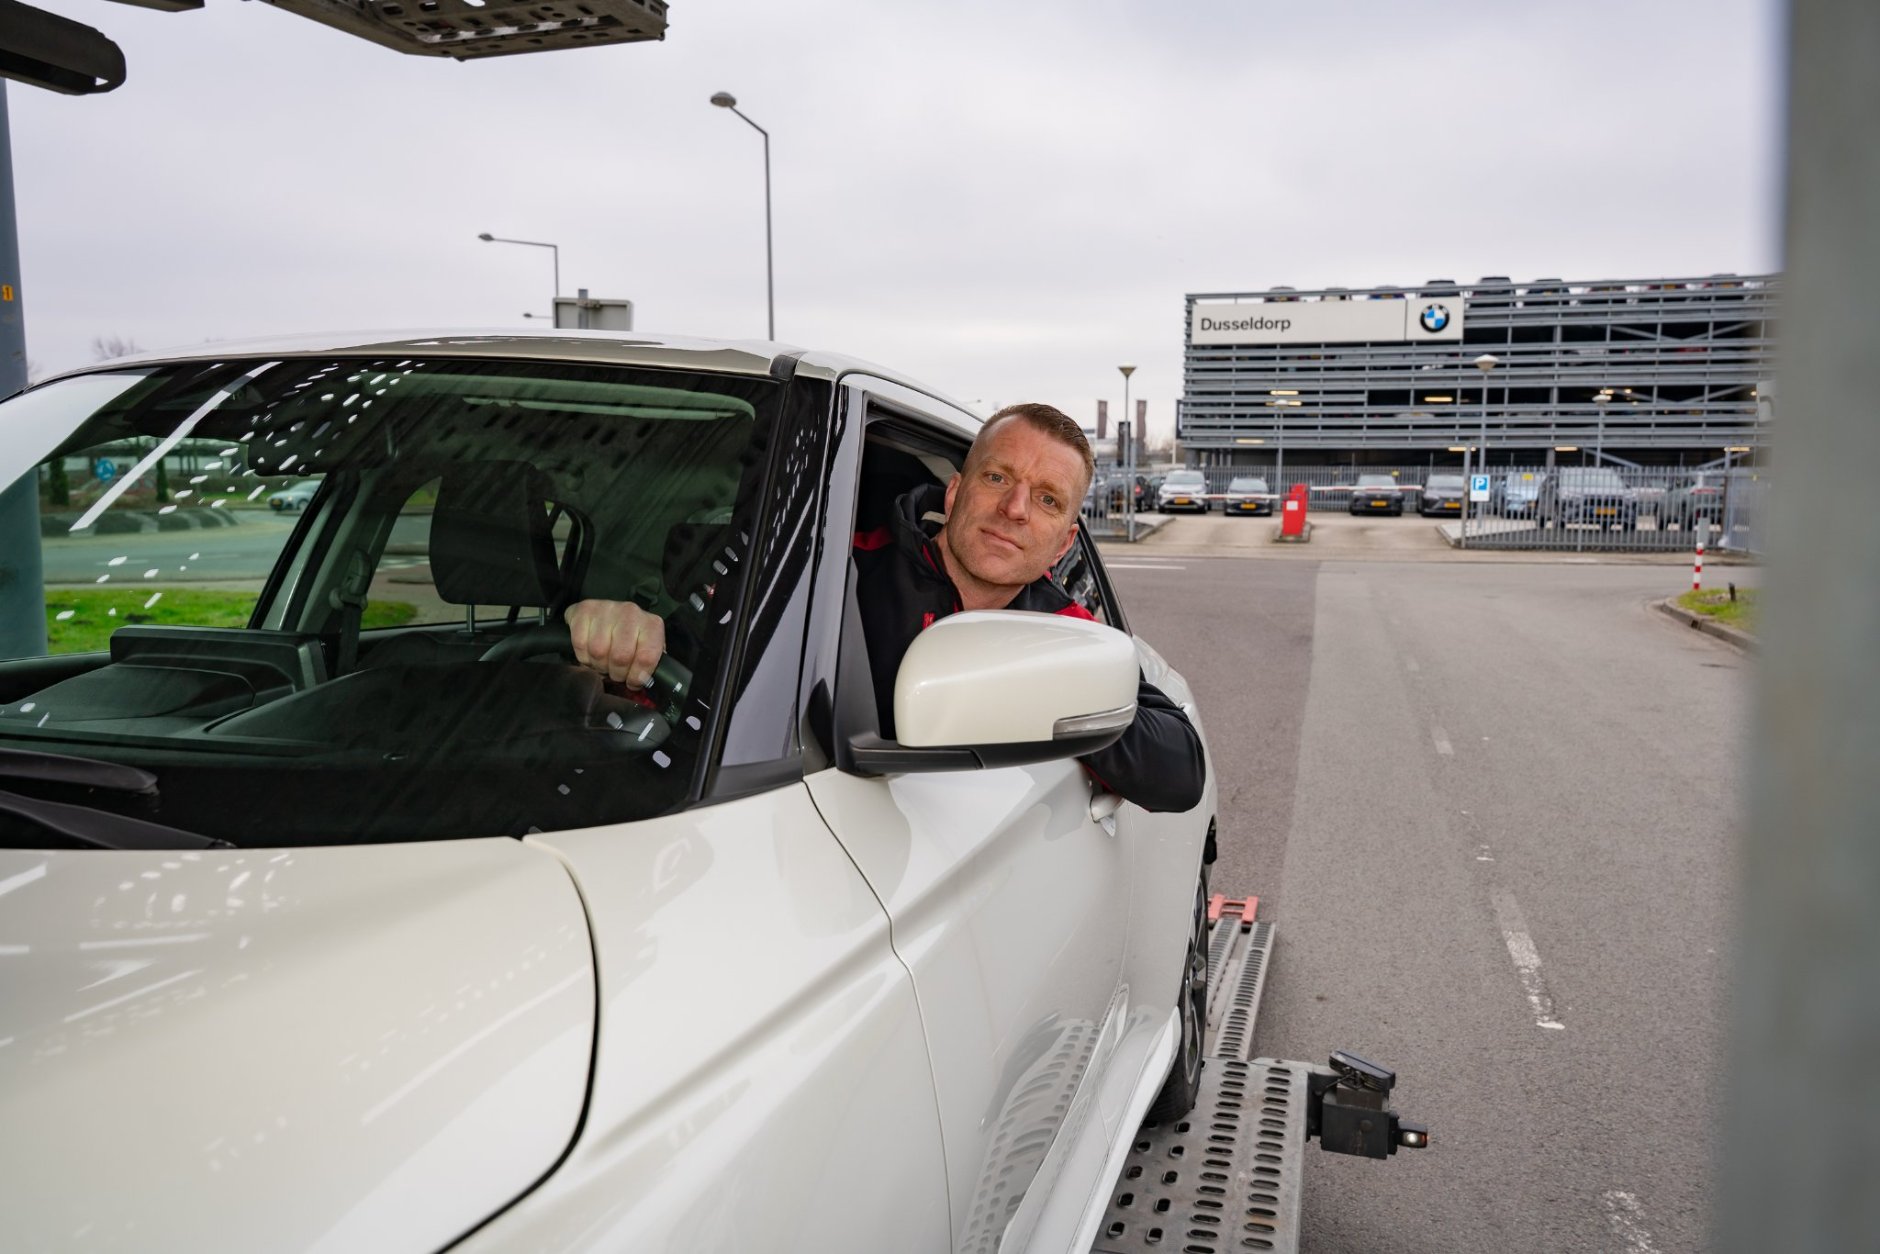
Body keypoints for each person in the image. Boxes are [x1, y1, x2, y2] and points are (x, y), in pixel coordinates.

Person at [566, 402, 1206, 813]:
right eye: (997, 478)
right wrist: (632, 644)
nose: (1014, 509)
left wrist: (1056, 697)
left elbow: (1179, 770)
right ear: (955, 492)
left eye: (1046, 499)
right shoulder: (837, 569)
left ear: (1065, 540)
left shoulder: (1064, 632)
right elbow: (695, 663)